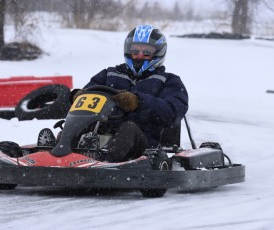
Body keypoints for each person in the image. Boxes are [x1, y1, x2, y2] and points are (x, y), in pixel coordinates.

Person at [72, 24, 188, 162]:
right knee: (77, 126)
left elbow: (172, 111)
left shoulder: (168, 80)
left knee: (129, 128)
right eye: (135, 51)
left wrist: (139, 102)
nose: (139, 56)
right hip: (100, 133)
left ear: (158, 53)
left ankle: (103, 161)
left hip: (142, 143)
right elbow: (88, 94)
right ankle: (58, 151)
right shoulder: (109, 74)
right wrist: (77, 96)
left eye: (146, 52)